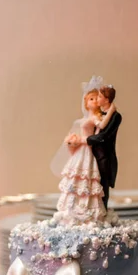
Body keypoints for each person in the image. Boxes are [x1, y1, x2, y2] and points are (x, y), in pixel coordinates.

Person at [55, 89, 108, 224]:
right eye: (91, 98)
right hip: (81, 149)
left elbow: (96, 135)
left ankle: (87, 209)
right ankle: (72, 209)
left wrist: (81, 140)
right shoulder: (85, 119)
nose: (94, 101)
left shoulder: (95, 118)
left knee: (85, 177)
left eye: (96, 98)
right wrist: (73, 140)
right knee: (75, 177)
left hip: (87, 149)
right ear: (86, 102)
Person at [84, 86, 122, 209]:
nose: (97, 99)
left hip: (104, 157)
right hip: (92, 154)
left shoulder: (116, 116)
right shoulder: (98, 113)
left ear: (106, 100)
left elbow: (104, 136)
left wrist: (87, 140)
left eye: (100, 96)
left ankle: (103, 211)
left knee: (103, 186)